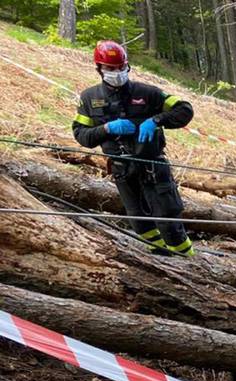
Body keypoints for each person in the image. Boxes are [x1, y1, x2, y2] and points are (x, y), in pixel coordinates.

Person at [73, 40, 196, 256]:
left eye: (121, 67)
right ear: (99, 69)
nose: (117, 73)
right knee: (139, 222)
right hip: (122, 170)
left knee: (168, 220)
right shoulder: (90, 98)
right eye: (111, 69)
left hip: (152, 167)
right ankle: (160, 258)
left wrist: (156, 120)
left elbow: (184, 110)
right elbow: (82, 135)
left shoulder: (148, 93)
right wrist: (106, 129)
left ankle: (187, 260)